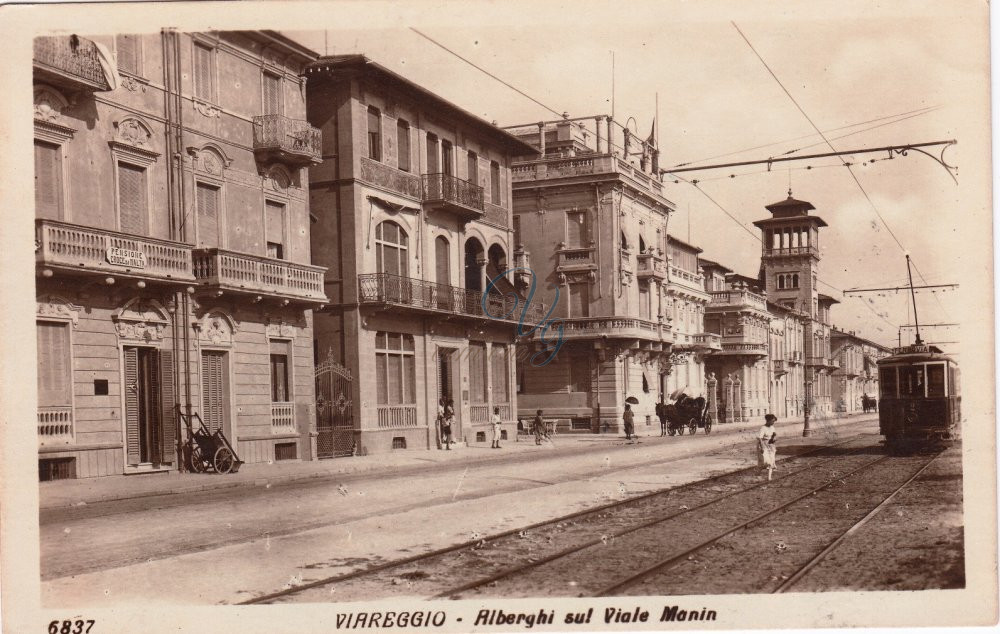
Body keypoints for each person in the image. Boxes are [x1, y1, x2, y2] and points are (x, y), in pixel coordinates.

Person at [758, 414, 778, 480]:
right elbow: (760, 438)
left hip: (771, 445)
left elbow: (774, 434)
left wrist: (774, 437)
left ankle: (769, 477)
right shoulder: (763, 428)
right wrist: (762, 447)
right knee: (765, 462)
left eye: (774, 421)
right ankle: (758, 473)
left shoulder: (772, 427)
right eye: (772, 421)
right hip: (764, 445)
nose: (773, 423)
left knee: (771, 461)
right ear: (768, 420)